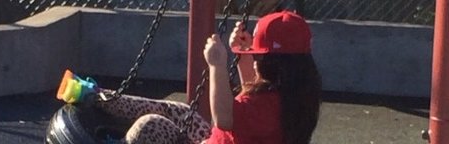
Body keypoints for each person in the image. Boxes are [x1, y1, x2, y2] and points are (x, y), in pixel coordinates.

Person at [94, 10, 321, 144]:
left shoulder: (264, 107)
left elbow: (223, 118)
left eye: (257, 57)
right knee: (180, 111)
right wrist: (242, 57)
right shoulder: (294, 96)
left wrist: (217, 65)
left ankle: (98, 99)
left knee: (151, 125)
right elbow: (253, 96)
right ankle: (101, 97)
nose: (255, 60)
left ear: (274, 65)